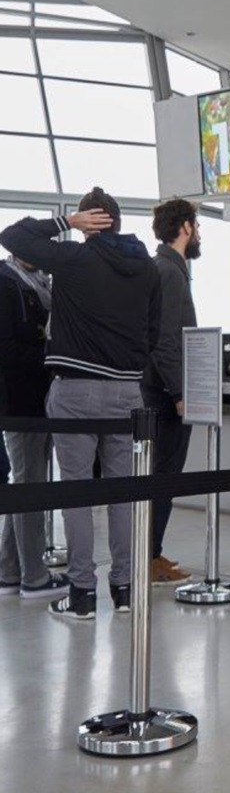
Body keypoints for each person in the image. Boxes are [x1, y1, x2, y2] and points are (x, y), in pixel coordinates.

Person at [0, 188, 160, 620]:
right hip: (129, 392)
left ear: (91, 220)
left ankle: (83, 594)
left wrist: (65, 224)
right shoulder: (147, 268)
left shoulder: (74, 260)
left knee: (77, 494)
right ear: (119, 221)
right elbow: (155, 331)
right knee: (122, 493)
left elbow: (10, 235)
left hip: (76, 389)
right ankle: (124, 590)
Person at [0, 252, 70, 601]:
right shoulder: (6, 283)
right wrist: (49, 356)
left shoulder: (36, 284)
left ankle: (9, 570)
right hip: (20, 402)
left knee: (26, 483)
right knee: (29, 487)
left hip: (34, 400)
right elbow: (6, 349)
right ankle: (34, 577)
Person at [143, 198, 201, 588]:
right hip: (165, 393)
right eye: (196, 225)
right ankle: (148, 558)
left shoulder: (169, 268)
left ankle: (151, 553)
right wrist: (180, 392)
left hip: (162, 388)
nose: (199, 233)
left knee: (163, 474)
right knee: (164, 475)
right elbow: (164, 341)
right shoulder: (169, 272)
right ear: (184, 227)